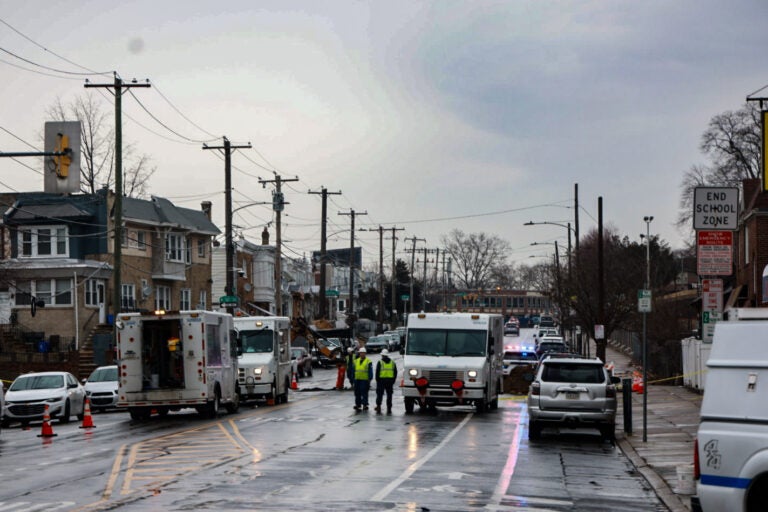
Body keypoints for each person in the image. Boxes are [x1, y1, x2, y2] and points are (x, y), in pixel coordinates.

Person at [375, 349, 398, 414]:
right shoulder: (392, 362)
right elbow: (395, 372)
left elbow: (377, 372)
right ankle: (389, 407)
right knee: (389, 395)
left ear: (382, 355)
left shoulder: (380, 362)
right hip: (390, 381)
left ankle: (378, 406)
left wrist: (377, 381)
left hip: (381, 381)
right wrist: (393, 380)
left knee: (379, 394)